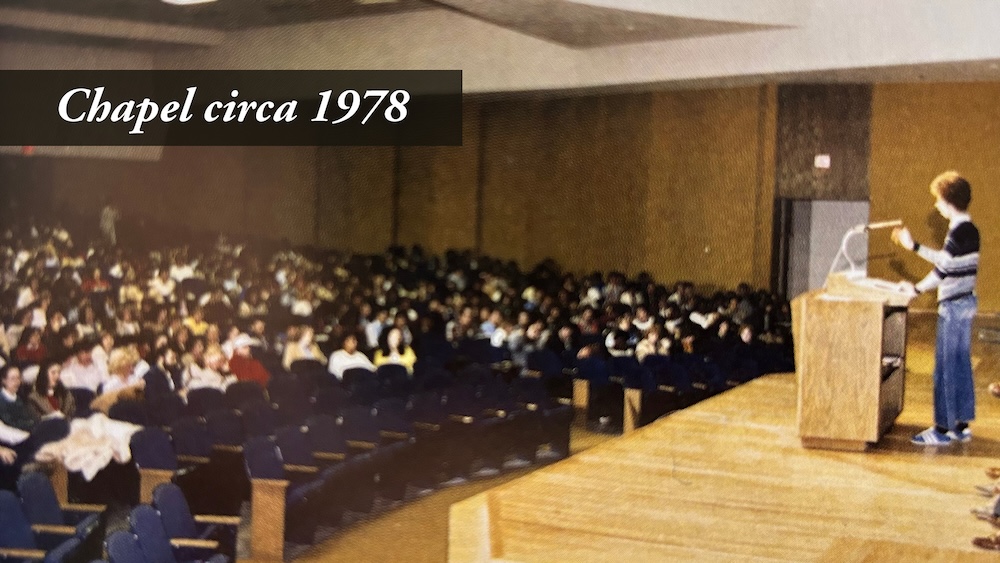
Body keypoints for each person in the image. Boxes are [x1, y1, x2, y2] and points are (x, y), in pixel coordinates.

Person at [891, 170, 979, 446]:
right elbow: (947, 260)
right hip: (966, 302)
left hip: (953, 308)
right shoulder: (968, 229)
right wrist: (914, 246)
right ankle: (960, 425)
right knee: (961, 365)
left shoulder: (958, 230)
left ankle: (941, 430)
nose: (936, 205)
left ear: (949, 200)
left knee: (943, 368)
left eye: (938, 200)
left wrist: (915, 289)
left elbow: (942, 270)